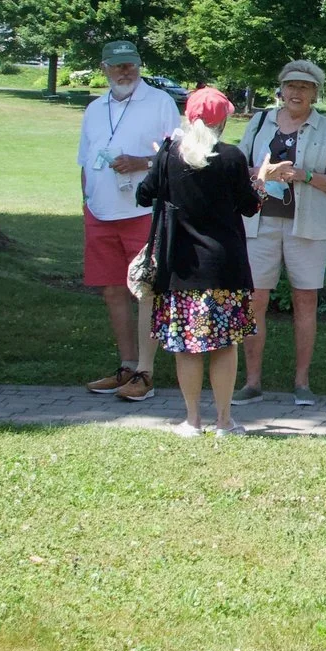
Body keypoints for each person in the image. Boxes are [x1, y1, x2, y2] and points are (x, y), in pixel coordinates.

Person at [134, 88, 262, 436]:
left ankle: (192, 420)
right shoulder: (232, 157)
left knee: (186, 347)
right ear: (223, 121)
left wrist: (157, 161)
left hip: (180, 266)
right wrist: (261, 182)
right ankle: (224, 421)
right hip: (224, 265)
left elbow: (143, 195)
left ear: (188, 118)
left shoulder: (169, 154)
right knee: (224, 345)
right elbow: (250, 206)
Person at [237, 59, 326, 406]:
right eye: (291, 86)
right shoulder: (260, 122)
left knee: (305, 300)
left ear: (315, 93)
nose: (296, 93)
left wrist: (303, 176)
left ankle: (302, 382)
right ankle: (252, 381)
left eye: (304, 87)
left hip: (308, 227)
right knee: (255, 300)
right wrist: (263, 173)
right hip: (259, 224)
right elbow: (235, 169)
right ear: (281, 90)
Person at [77, 39, 182, 401]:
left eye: (131, 64)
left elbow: (178, 155)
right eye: (118, 65)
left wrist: (141, 163)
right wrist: (86, 202)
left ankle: (145, 373)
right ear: (104, 67)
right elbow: (84, 161)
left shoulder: (160, 102)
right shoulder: (94, 108)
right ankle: (125, 364)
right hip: (100, 211)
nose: (125, 71)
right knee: (111, 291)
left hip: (143, 211)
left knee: (146, 291)